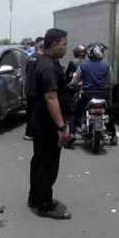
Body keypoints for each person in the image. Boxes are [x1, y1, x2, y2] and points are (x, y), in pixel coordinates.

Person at [27, 28, 71, 219]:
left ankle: (35, 198)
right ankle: (44, 204)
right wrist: (61, 127)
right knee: (48, 165)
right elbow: (51, 98)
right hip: (48, 125)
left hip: (39, 121)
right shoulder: (48, 67)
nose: (65, 48)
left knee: (39, 161)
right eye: (64, 44)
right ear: (53, 44)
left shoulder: (39, 61)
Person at [68, 43, 117, 146]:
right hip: (103, 96)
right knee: (109, 114)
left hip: (87, 95)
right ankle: (113, 135)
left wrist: (73, 84)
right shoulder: (107, 66)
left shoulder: (83, 65)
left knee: (74, 113)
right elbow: (111, 81)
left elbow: (75, 80)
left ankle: (72, 134)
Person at [23, 36, 44, 141]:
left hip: (28, 88)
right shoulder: (41, 59)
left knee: (30, 111)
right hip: (36, 89)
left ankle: (28, 132)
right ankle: (34, 133)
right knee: (36, 112)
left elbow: (26, 72)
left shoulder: (30, 58)